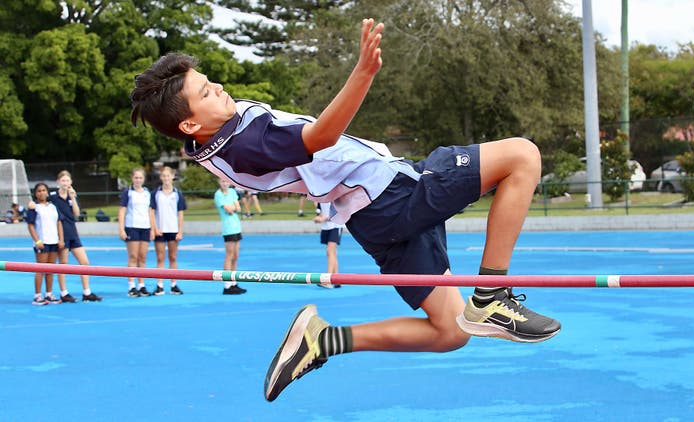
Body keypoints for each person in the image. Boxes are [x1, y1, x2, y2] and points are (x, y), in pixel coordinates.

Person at [130, 18, 561, 402]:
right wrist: (362, 74)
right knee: (522, 156)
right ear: (189, 123)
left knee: (450, 331)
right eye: (206, 91)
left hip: (373, 215)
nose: (219, 87)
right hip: (390, 195)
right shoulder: (241, 144)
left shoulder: (213, 138)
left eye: (210, 80)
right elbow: (319, 137)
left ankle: (323, 340)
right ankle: (491, 295)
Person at [49, 170, 103, 302]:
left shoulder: (72, 196)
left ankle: (86, 292)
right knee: (63, 264)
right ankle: (64, 293)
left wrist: (72, 197)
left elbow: (77, 215)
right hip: (61, 234)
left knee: (84, 262)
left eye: (67, 181)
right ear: (58, 182)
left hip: (73, 233)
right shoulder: (53, 197)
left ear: (71, 182)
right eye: (63, 181)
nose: (65, 183)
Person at [149, 166, 187, 295]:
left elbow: (180, 213)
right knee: (160, 258)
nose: (166, 178)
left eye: (168, 176)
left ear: (172, 176)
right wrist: (154, 228)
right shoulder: (156, 193)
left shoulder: (177, 194)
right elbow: (151, 211)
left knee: (173, 257)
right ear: (161, 177)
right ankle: (159, 285)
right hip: (160, 229)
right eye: (163, 176)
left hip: (173, 229)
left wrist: (180, 231)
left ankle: (173, 284)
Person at [26, 183, 65, 305]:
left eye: (44, 190)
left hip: (53, 241)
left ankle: (49, 293)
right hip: (42, 242)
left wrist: (61, 239)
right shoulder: (34, 208)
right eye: (39, 191)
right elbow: (30, 225)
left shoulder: (53, 207)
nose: (42, 193)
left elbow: (59, 222)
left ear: (47, 192)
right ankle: (37, 295)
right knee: (40, 268)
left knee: (51, 268)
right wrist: (37, 241)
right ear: (35, 193)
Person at [118, 167, 153, 297]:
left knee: (142, 257)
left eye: (140, 178)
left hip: (145, 227)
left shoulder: (147, 193)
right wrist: (121, 229)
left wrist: (152, 229)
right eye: (136, 177)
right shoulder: (128, 192)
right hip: (132, 226)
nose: (138, 180)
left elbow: (150, 211)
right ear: (132, 178)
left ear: (143, 179)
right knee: (133, 256)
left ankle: (141, 285)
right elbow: (122, 211)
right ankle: (131, 285)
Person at [214, 178, 247, 295]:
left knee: (236, 256)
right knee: (229, 255)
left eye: (226, 181)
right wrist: (233, 207)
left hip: (236, 227)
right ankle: (227, 284)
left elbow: (238, 208)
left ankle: (233, 281)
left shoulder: (232, 192)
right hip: (228, 229)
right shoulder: (218, 195)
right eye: (222, 181)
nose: (225, 183)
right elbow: (228, 209)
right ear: (219, 182)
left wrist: (234, 207)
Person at [313, 202, 343, 288]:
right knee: (332, 252)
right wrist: (318, 217)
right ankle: (337, 279)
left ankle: (327, 280)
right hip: (326, 226)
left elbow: (337, 212)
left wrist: (323, 219)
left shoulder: (332, 193)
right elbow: (320, 209)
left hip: (335, 225)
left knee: (330, 251)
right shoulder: (319, 195)